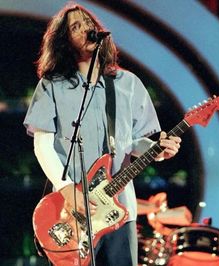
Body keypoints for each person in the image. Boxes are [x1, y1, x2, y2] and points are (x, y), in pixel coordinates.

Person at [23, 2, 181, 266]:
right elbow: (43, 144)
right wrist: (67, 191)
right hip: (70, 210)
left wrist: (157, 150)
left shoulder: (127, 84)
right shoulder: (51, 85)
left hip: (120, 209)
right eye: (76, 26)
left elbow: (131, 143)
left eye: (88, 23)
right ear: (64, 41)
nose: (86, 28)